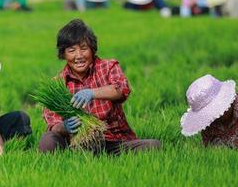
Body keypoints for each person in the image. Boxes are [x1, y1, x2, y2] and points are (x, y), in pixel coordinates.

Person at [38, 19, 161, 155]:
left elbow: (122, 89)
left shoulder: (108, 67)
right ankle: (78, 157)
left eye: (84, 48)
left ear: (92, 49)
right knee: (47, 140)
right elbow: (53, 125)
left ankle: (96, 156)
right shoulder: (57, 84)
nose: (78, 56)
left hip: (113, 142)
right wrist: (65, 127)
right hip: (76, 142)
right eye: (71, 50)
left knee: (154, 146)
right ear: (63, 54)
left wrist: (92, 93)